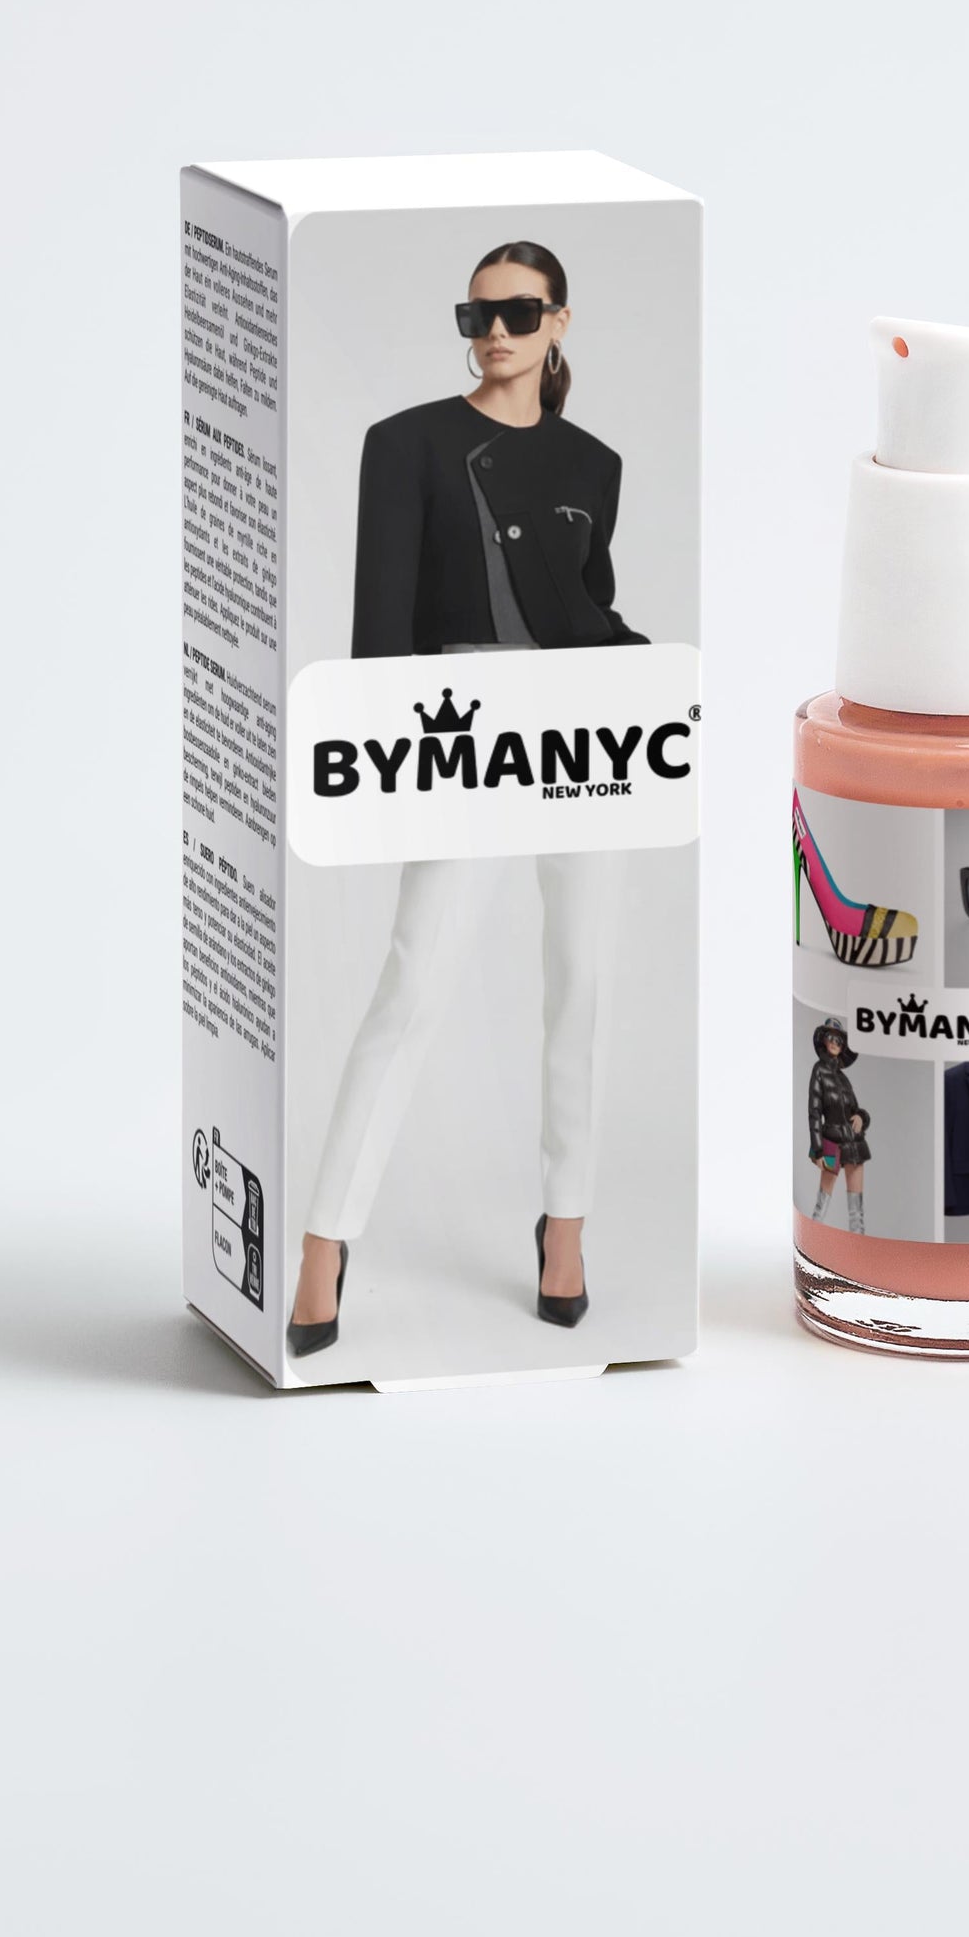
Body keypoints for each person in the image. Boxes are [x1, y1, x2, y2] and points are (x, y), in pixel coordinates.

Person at [289, 242, 640, 1356]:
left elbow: (588, 607)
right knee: (413, 982)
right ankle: (323, 1242)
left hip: (582, 726)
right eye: (477, 313)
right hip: (460, 728)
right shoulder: (405, 444)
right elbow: (378, 625)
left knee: (582, 978)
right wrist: (379, 762)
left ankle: (565, 1224)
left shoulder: (594, 463)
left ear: (559, 321)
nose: (494, 331)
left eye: (519, 312)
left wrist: (662, 686)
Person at [806, 1017, 872, 1235]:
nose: (835, 1043)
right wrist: (817, 1150)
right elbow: (814, 1112)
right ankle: (813, 1241)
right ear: (824, 1041)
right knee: (822, 1203)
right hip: (831, 1143)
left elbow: (856, 1109)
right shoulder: (818, 1071)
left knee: (857, 1211)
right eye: (830, 1038)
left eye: (839, 1040)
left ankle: (859, 1249)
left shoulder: (844, 1079)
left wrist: (861, 1117)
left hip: (854, 1144)